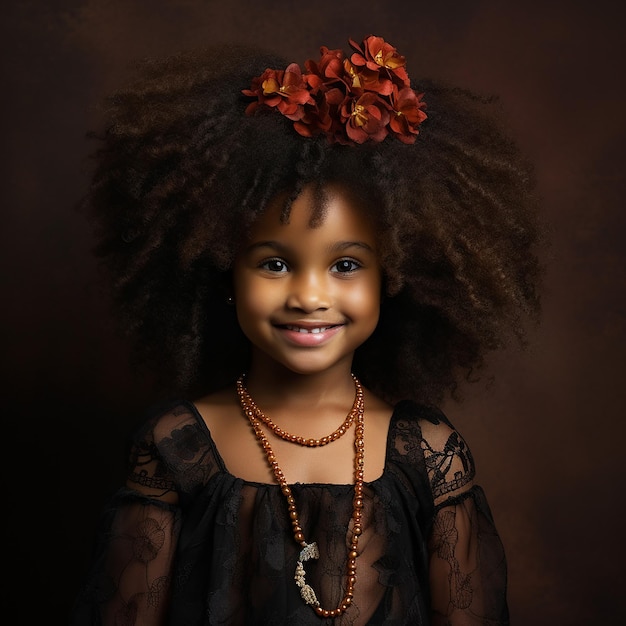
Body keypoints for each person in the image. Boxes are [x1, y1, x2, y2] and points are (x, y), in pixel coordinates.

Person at [70, 34, 543, 625]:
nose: (310, 296)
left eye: (345, 265)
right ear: (222, 272)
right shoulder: (177, 447)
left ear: (393, 279)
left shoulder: (428, 455)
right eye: (275, 263)